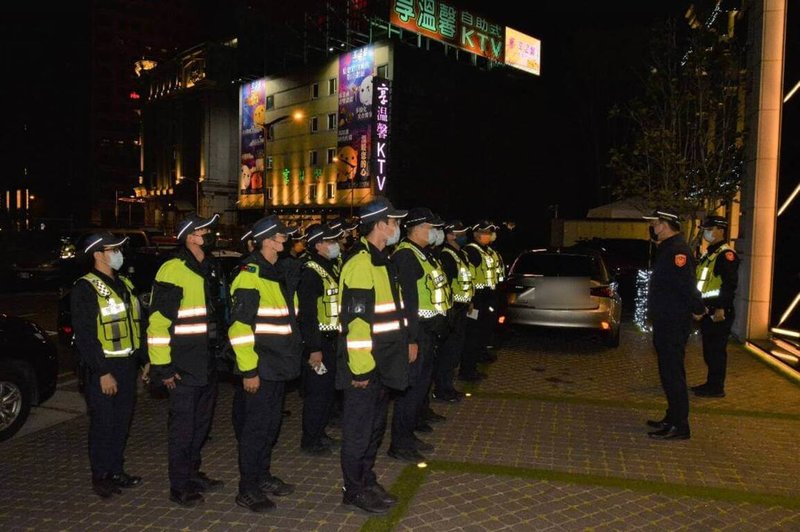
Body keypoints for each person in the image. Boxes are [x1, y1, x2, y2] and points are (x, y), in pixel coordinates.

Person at [147, 213, 225, 507]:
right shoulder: (172, 269)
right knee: (182, 429)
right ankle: (179, 486)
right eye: (205, 230)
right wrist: (163, 367)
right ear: (190, 236)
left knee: (200, 426)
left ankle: (193, 473)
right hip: (182, 366)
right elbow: (157, 325)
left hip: (206, 363)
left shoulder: (209, 267)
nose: (211, 233)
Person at [338, 197, 409, 514]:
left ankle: (366, 479)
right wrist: (362, 371)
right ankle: (353, 489)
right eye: (393, 222)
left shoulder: (383, 261)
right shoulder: (360, 265)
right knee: (358, 432)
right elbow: (356, 325)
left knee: (374, 430)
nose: (397, 227)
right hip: (365, 368)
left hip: (383, 363)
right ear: (380, 225)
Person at [228, 215, 303, 512]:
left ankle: (261, 476)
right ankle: (247, 489)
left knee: (270, 427)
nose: (285, 239)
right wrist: (249, 370)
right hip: (260, 368)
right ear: (268, 239)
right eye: (281, 235)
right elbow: (239, 328)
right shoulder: (250, 273)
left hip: (277, 366)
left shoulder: (274, 271)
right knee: (256, 430)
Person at [72, 232, 144, 498]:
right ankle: (101, 476)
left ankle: (116, 470)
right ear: (98, 254)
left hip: (127, 365)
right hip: (102, 369)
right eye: (113, 249)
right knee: (103, 424)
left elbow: (137, 323)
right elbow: (85, 336)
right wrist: (102, 372)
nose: (118, 253)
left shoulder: (123, 283)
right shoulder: (86, 287)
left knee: (121, 423)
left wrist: (143, 360)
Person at [388, 207, 450, 462]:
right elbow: (408, 303)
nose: (436, 233)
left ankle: (408, 435)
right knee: (411, 390)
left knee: (420, 388)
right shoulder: (406, 256)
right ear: (417, 228)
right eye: (432, 228)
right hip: (417, 334)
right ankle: (399, 444)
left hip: (428, 332)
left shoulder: (424, 254)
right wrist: (411, 339)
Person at [644, 209, 705, 440]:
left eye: (654, 223)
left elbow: (687, 285)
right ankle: (672, 417)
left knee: (673, 372)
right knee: (667, 371)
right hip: (665, 319)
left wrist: (698, 308)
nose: (651, 227)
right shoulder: (667, 249)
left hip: (673, 320)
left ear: (664, 224)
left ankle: (680, 425)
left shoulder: (677, 251)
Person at [297, 222, 344, 454]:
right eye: (331, 241)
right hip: (319, 344)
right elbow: (307, 315)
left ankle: (320, 433)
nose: (336, 244)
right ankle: (310, 440)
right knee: (317, 394)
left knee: (326, 393)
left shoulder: (329, 266)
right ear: (318, 245)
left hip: (331, 341)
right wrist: (314, 348)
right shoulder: (310, 271)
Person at [692, 215, 739, 398]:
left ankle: (716, 388)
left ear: (721, 230)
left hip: (719, 312)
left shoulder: (726, 255)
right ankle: (710, 383)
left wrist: (721, 308)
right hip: (707, 310)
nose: (706, 232)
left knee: (716, 352)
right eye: (705, 229)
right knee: (709, 351)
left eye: (710, 229)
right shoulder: (709, 253)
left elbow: (729, 285)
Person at [434, 220, 474, 402]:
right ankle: (442, 389)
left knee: (454, 352)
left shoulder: (459, 254)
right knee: (448, 353)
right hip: (453, 311)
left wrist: (469, 301)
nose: (463, 235)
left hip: (462, 308)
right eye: (459, 232)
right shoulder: (447, 255)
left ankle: (447, 387)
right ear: (449, 235)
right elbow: (447, 286)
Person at [460, 220, 499, 381]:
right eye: (486, 232)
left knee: (482, 332)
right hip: (476, 299)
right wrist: (471, 300)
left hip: (487, 297)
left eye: (491, 232)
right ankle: (467, 370)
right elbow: (467, 277)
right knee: (472, 335)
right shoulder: (472, 251)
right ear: (477, 234)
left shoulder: (487, 251)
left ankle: (476, 361)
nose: (490, 235)